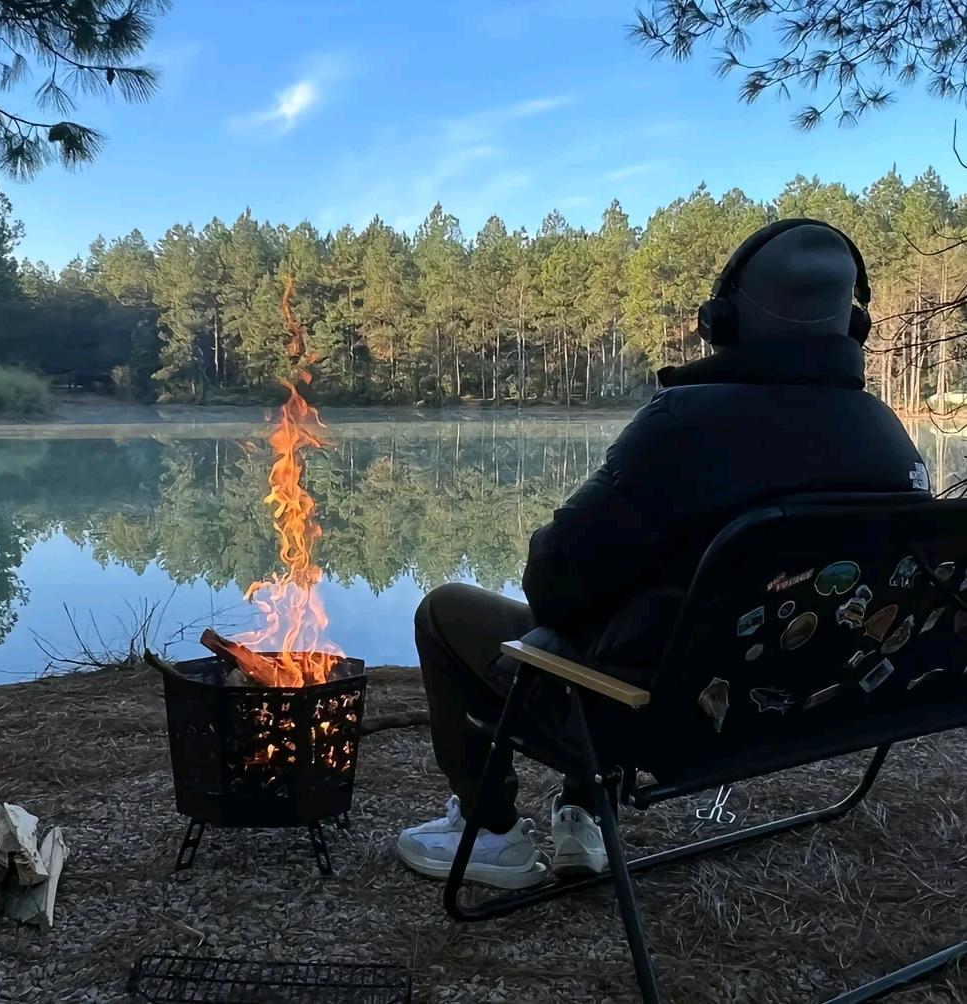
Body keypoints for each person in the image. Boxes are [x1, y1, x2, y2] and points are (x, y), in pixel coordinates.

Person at [397, 219, 929, 890]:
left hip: (663, 720)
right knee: (639, 603)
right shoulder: (889, 436)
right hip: (826, 705)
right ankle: (582, 816)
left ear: (724, 322)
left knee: (447, 610)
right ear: (851, 328)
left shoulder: (683, 427)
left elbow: (552, 584)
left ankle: (492, 832)